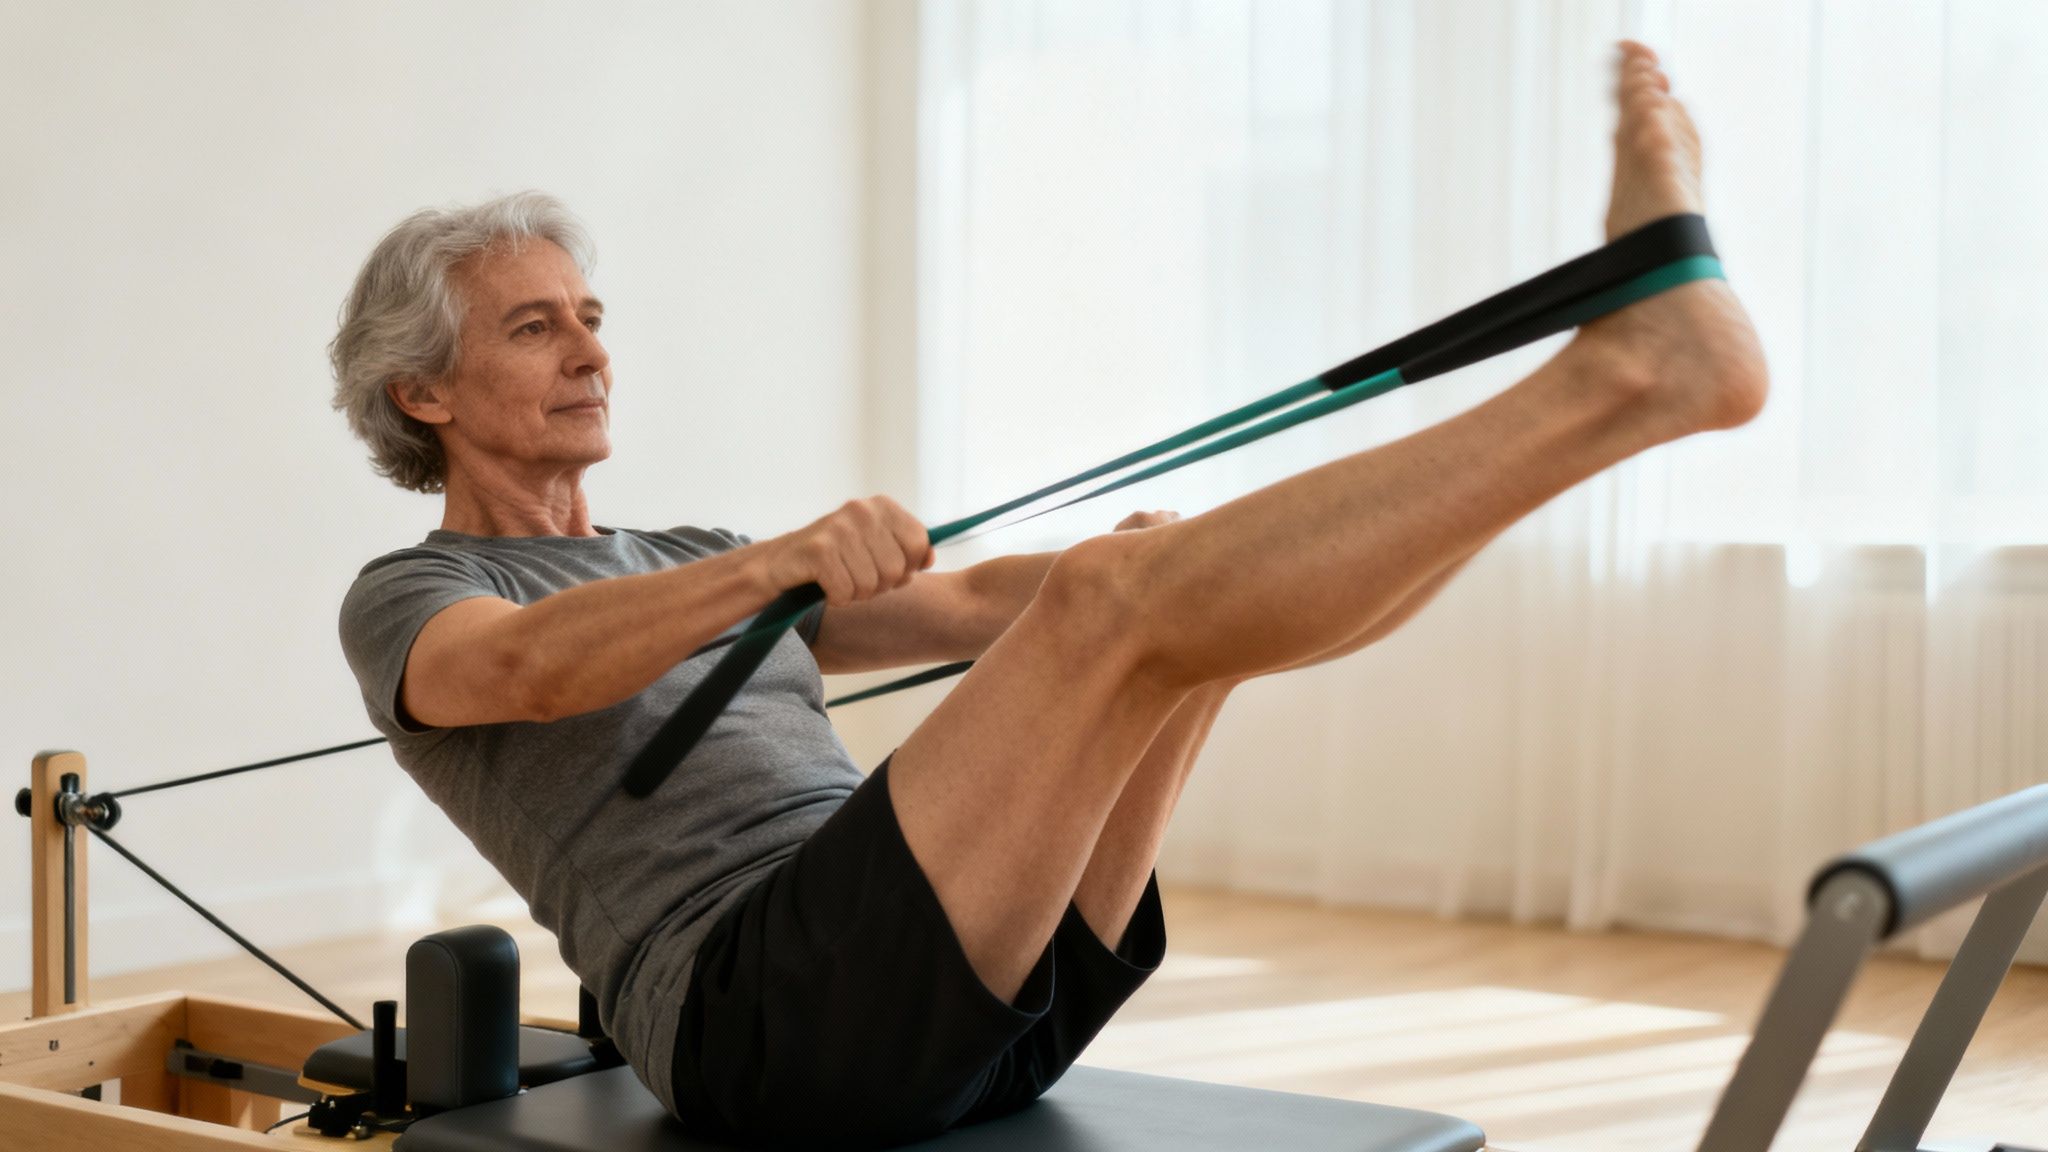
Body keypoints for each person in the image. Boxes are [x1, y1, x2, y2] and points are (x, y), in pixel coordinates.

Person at [333, 41, 1763, 1148]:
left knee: (1164, 627)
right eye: (537, 327)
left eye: (593, 317)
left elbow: (974, 612)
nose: (589, 350)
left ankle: (1617, 400)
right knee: (1122, 611)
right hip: (769, 1022)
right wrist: (775, 564)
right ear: (425, 391)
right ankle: (1626, 378)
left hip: (983, 999)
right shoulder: (414, 592)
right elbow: (521, 671)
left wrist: (1132, 560)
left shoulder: (681, 549)